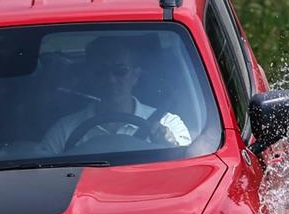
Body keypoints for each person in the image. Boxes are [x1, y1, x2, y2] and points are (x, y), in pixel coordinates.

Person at [39, 36, 192, 155]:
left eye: (120, 71)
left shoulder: (168, 123)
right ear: (90, 77)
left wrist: (169, 146)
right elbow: (42, 178)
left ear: (135, 75)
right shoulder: (64, 130)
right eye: (100, 72)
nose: (110, 80)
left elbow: (191, 170)